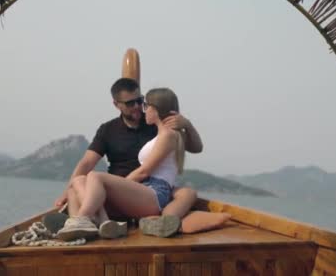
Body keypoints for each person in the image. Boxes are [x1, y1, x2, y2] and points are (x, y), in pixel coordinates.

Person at [56, 86, 231, 241]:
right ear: (116, 104)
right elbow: (86, 162)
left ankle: (82, 219)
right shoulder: (158, 134)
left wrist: (187, 124)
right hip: (144, 188)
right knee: (77, 182)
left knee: (95, 176)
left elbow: (144, 171)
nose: (141, 108)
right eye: (133, 103)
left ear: (157, 110)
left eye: (144, 104)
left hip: (155, 191)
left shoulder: (169, 136)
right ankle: (102, 224)